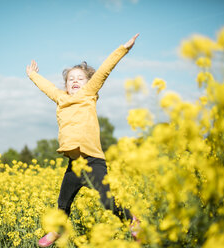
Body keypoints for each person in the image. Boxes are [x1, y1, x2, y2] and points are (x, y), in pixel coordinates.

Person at [26, 34, 141, 247]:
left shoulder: (89, 93)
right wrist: (33, 75)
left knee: (108, 202)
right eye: (71, 79)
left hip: (93, 160)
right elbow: (48, 88)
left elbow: (105, 69)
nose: (75, 81)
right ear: (66, 85)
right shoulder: (61, 98)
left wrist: (123, 49)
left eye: (80, 78)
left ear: (88, 82)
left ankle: (132, 220)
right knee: (63, 202)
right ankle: (58, 230)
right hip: (74, 164)